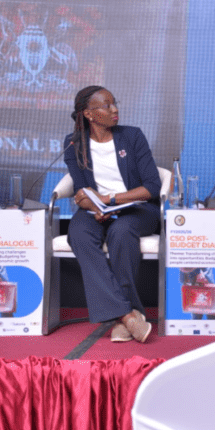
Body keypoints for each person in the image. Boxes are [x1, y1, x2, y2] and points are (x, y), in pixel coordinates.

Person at [64, 86, 161, 343]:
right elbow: (81, 189)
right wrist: (95, 206)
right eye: (106, 106)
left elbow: (152, 187)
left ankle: (121, 316)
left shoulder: (132, 136)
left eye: (114, 103)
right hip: (97, 209)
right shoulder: (74, 143)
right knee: (78, 234)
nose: (115, 109)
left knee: (121, 231)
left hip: (137, 209)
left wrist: (110, 200)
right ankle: (127, 315)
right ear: (89, 114)